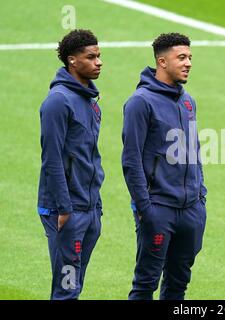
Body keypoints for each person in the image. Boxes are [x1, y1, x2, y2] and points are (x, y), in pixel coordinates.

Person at [122, 33, 207, 300]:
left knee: (178, 284)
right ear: (162, 61)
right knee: (146, 284)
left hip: (191, 210)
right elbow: (131, 160)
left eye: (190, 57)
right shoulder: (140, 102)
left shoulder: (187, 101)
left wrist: (200, 197)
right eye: (181, 58)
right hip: (159, 210)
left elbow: (194, 152)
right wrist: (145, 207)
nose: (188, 63)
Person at [37, 29, 104, 300]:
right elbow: (51, 158)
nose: (99, 62)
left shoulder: (89, 100)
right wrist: (64, 208)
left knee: (75, 284)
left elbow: (89, 155)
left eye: (99, 56)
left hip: (89, 208)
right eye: (91, 57)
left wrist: (95, 205)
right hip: (66, 210)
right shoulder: (58, 102)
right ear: (72, 61)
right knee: (66, 288)